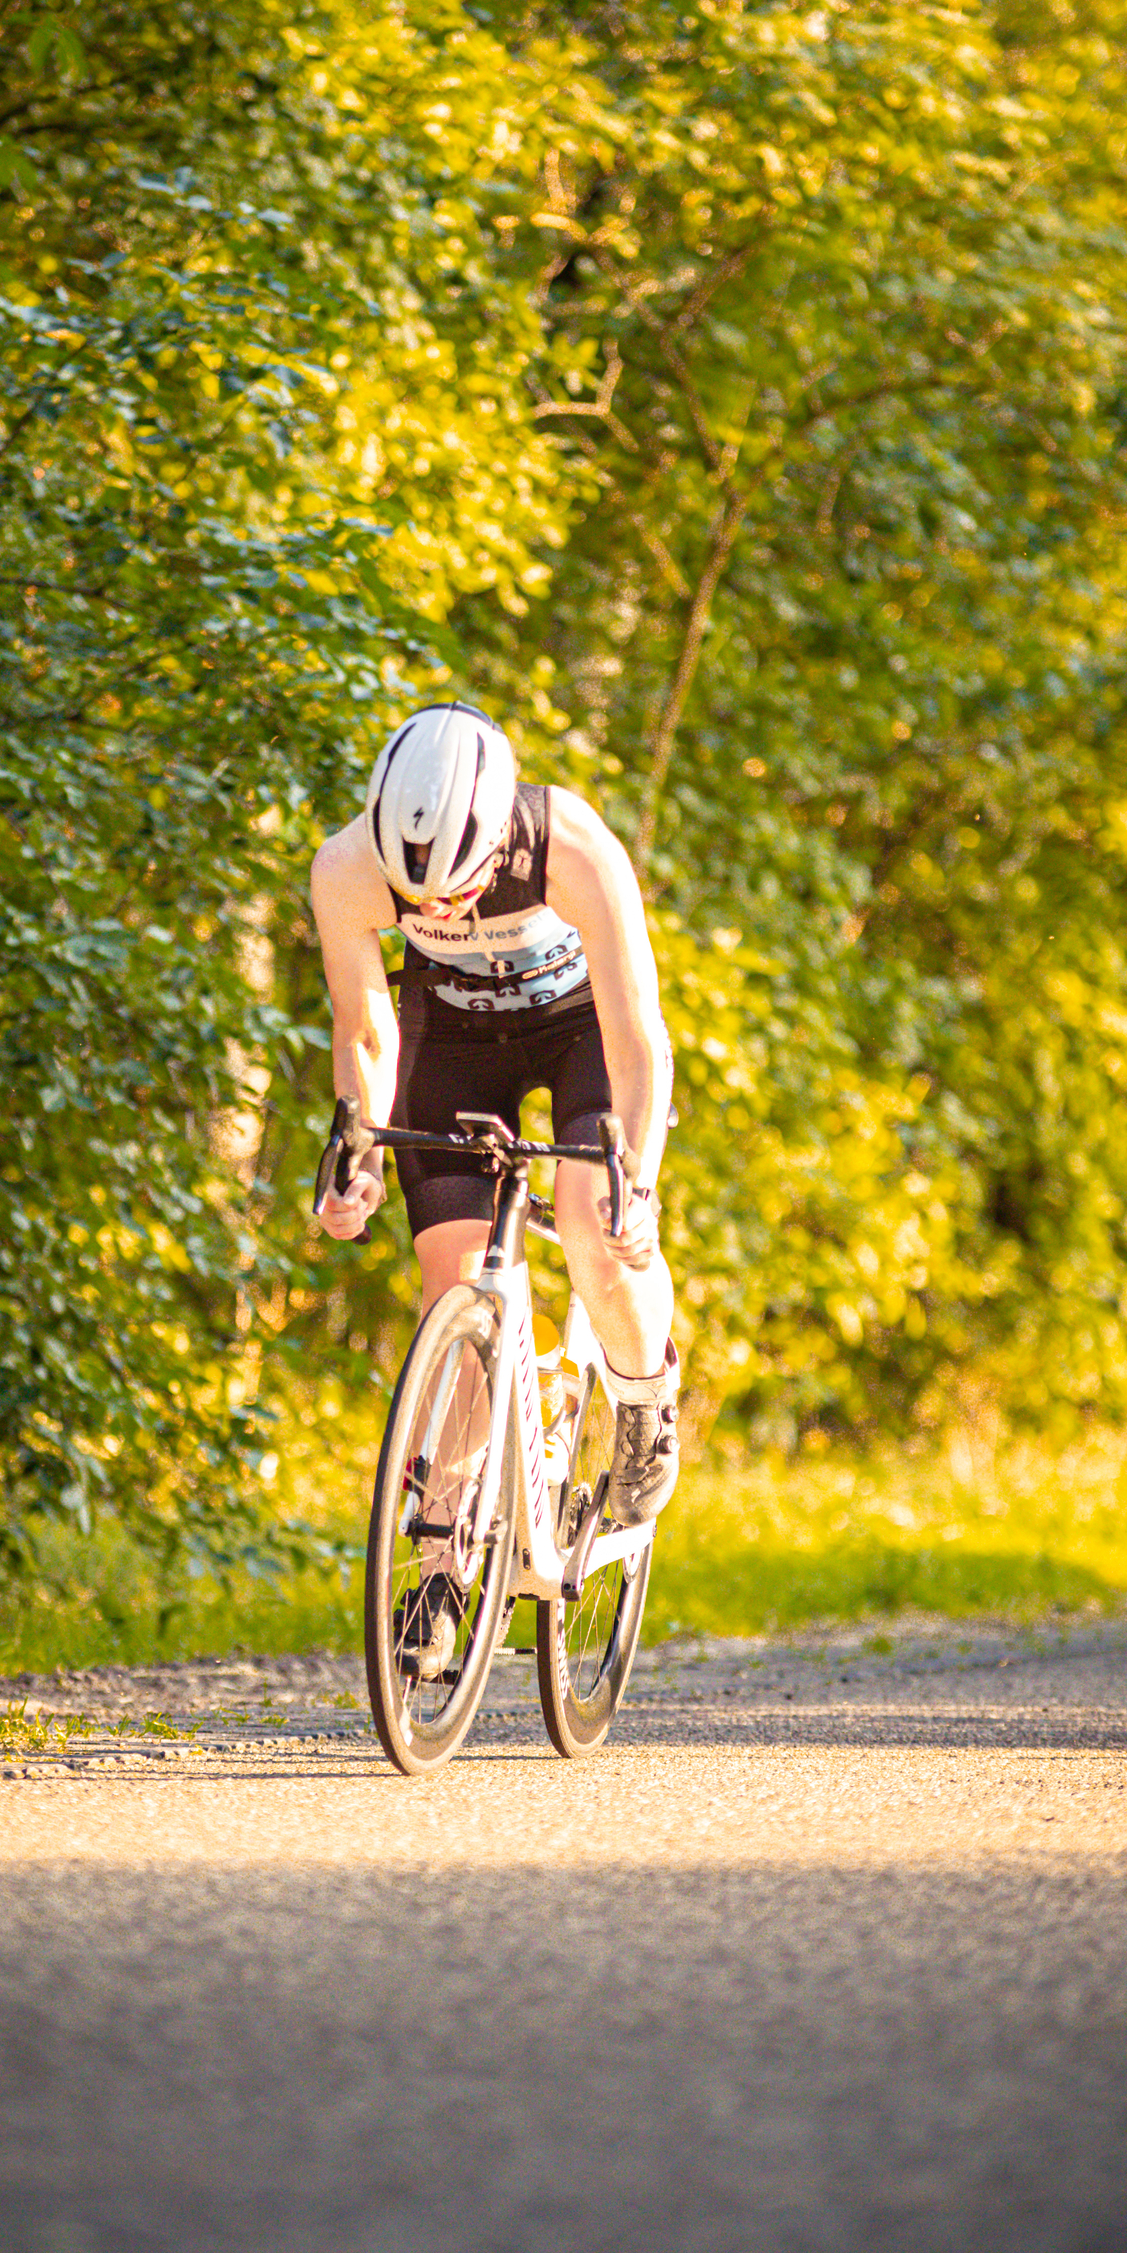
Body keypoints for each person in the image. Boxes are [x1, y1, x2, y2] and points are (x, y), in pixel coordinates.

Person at [310, 702, 680, 1670]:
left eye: (456, 895)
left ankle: (646, 1398)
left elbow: (638, 1040)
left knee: (593, 1225)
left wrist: (634, 1177)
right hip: (452, 1041)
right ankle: (441, 1564)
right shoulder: (345, 871)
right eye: (414, 901)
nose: (434, 916)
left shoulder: (574, 849)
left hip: (577, 1030)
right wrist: (350, 1152)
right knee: (456, 1282)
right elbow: (365, 1033)